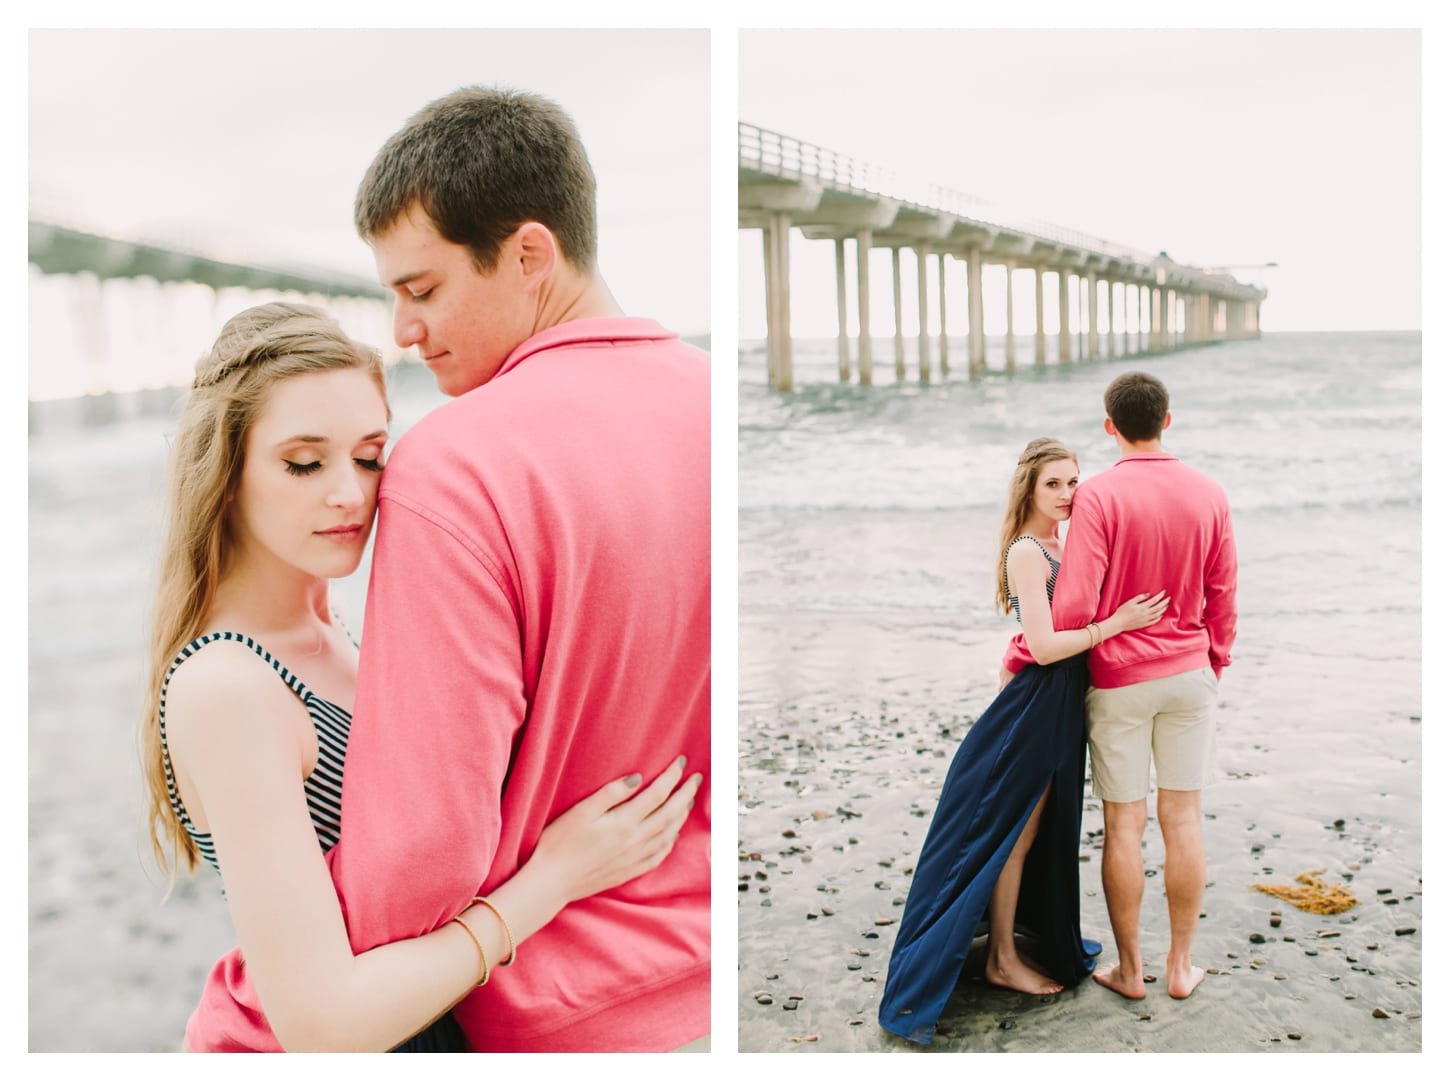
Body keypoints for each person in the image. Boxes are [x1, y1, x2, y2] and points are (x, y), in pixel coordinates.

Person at [187, 87, 711, 1052]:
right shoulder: (714, 404)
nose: (404, 330)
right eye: (305, 462)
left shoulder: (457, 460)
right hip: (693, 975)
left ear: (529, 255)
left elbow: (421, 861)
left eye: (423, 290)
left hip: (532, 1007)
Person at [878, 437, 1168, 1046]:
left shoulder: (1071, 544)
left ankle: (1010, 947)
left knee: (1037, 830)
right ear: (1029, 491)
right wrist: (1116, 625)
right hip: (1035, 704)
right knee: (1015, 832)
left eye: (1073, 481)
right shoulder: (1027, 552)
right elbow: (1040, 647)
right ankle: (1002, 958)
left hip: (1063, 702)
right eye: (1054, 484)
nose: (1068, 494)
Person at [1001, 371, 1237, 1002]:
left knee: (1124, 825)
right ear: (1169, 419)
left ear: (1110, 426)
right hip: (1189, 672)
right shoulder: (1210, 492)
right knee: (1184, 819)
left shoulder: (1099, 496)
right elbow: (1224, 592)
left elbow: (1074, 604)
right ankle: (1181, 968)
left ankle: (1131, 972)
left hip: (1120, 677)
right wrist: (1213, 658)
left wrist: (1030, 648)